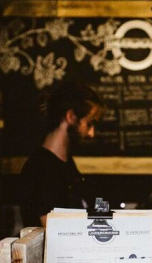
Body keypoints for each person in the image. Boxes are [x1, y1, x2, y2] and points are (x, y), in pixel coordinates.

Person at [19, 81, 103, 227]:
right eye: (89, 124)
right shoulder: (41, 168)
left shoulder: (66, 162)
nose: (91, 133)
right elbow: (54, 232)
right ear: (71, 117)